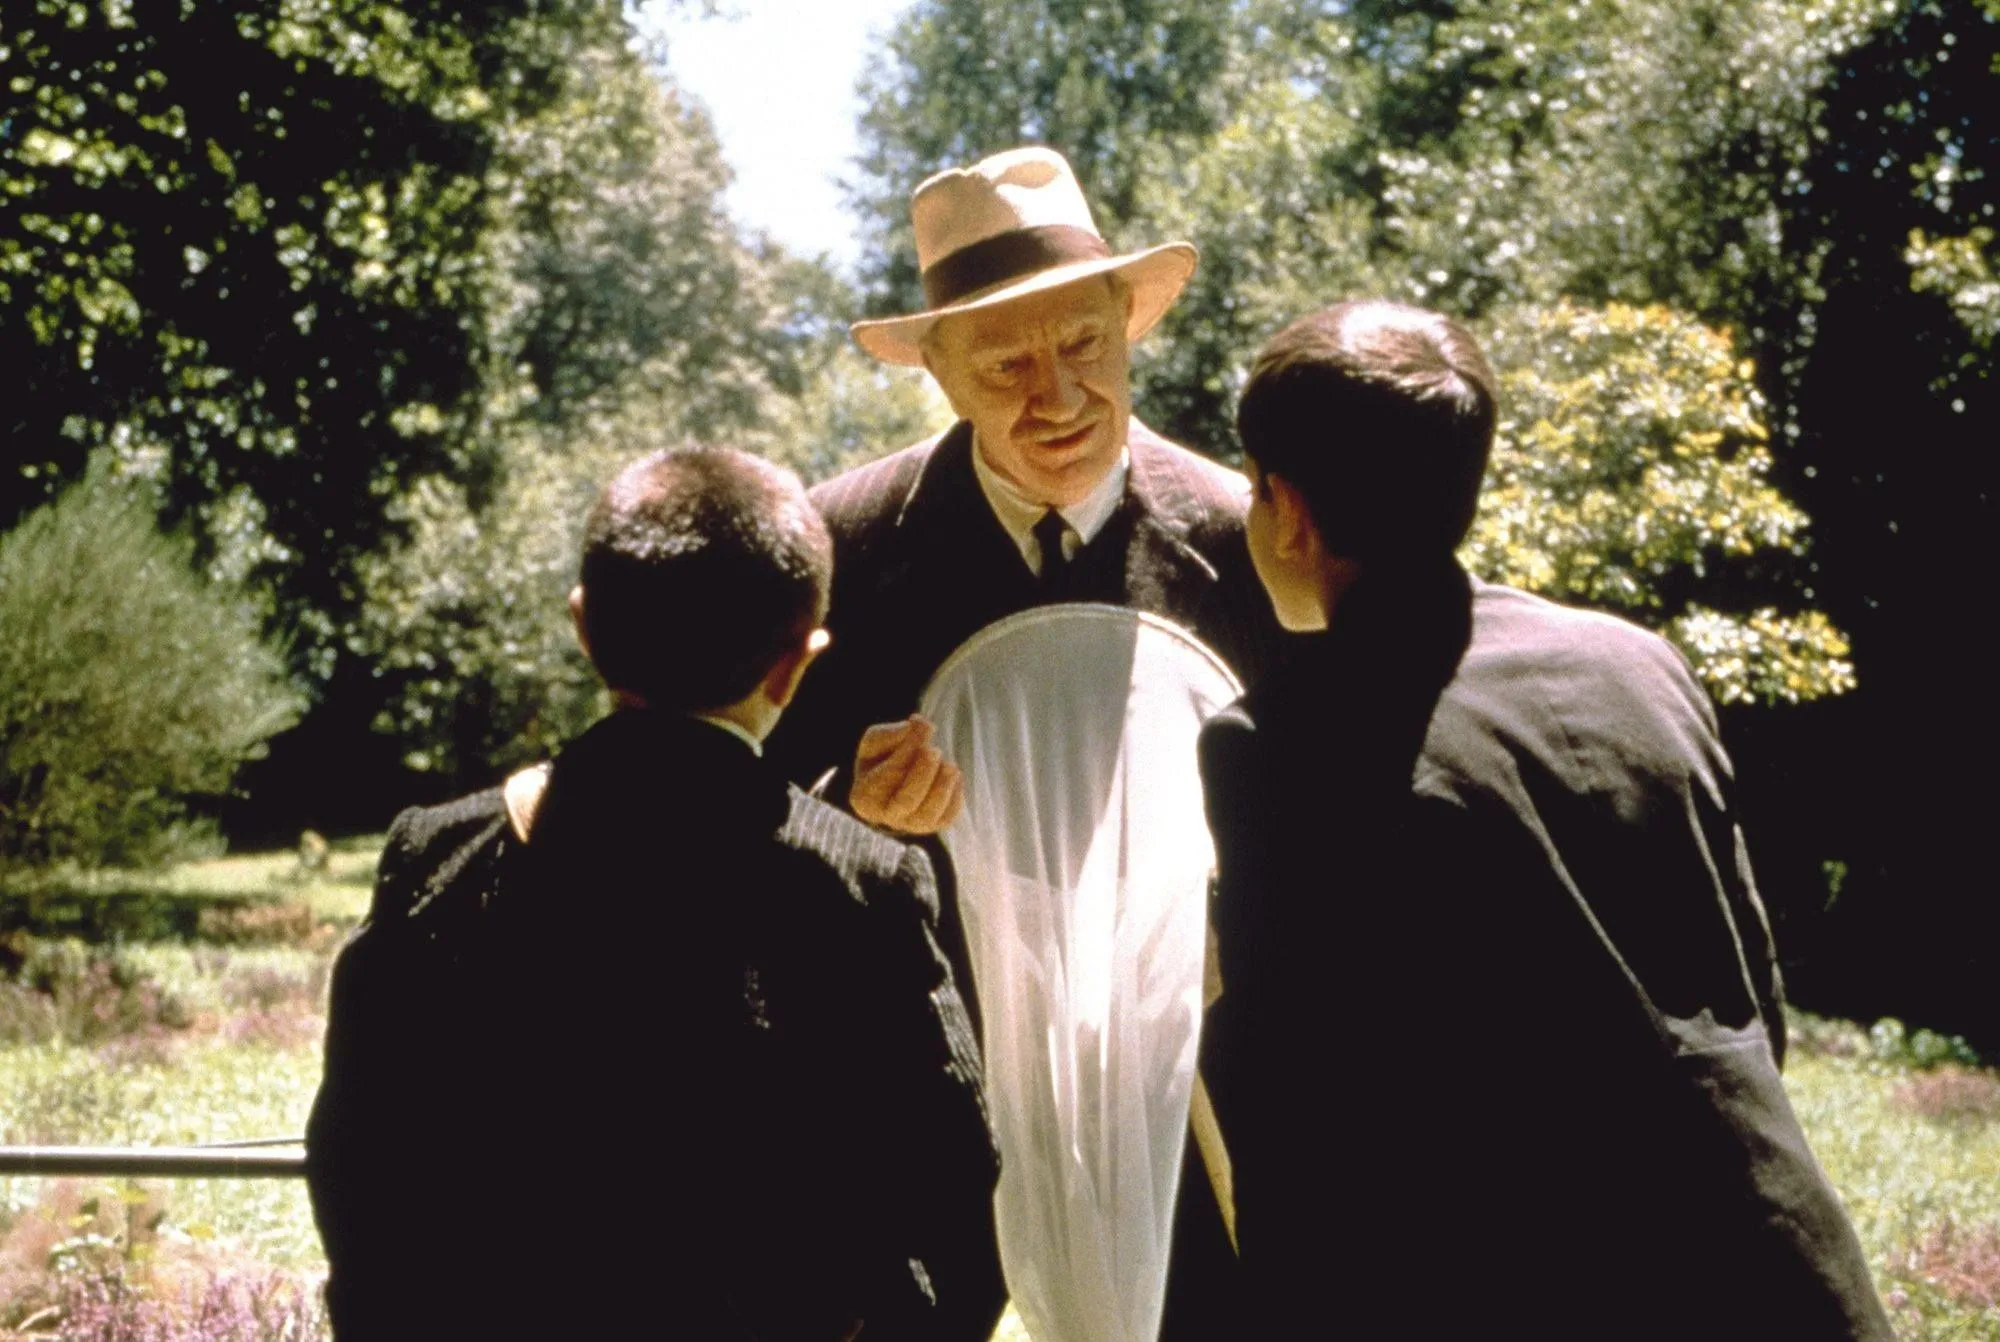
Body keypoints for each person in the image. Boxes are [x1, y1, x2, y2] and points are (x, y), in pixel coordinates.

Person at [1202, 299, 1893, 1337]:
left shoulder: (1278, 741)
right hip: (1776, 1264)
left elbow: (1307, 1135)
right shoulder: (1634, 662)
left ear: (1287, 509)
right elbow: (1748, 989)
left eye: (1252, 489)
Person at [305, 447, 998, 1340]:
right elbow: (952, 1184)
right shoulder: (857, 883)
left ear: (583, 626)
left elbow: (359, 1172)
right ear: (797, 663)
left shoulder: (438, 856)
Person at [763, 145, 1273, 1337]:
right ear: (935, 368)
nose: (1054, 395)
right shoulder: (836, 546)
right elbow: (738, 819)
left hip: (1196, 1086)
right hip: (916, 1086)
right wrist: (846, 815)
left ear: (1127, 323)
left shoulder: (1250, 542)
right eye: (1003, 362)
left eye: (1083, 346)